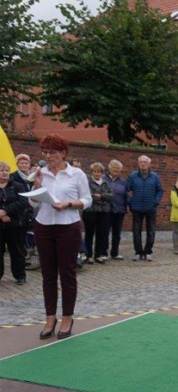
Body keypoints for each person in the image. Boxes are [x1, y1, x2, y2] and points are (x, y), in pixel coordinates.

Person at [30, 134, 92, 340]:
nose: (48, 156)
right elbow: (32, 204)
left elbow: (87, 200)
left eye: (52, 152)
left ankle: (67, 317)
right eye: (45, 152)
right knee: (48, 275)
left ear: (63, 153)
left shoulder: (77, 174)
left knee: (67, 274)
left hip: (68, 227)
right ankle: (50, 317)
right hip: (44, 226)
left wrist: (68, 204)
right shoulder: (41, 174)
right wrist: (37, 185)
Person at [126, 155, 163, 261]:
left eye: (145, 162)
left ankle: (148, 252)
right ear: (138, 163)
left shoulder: (155, 176)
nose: (143, 164)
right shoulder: (132, 176)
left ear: (149, 164)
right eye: (141, 162)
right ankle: (138, 252)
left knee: (151, 231)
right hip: (136, 208)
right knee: (136, 231)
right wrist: (130, 202)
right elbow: (127, 190)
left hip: (150, 208)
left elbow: (160, 190)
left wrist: (155, 202)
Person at [0, 161, 29, 284]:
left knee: (17, 251)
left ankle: (20, 275)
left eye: (7, 170)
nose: (5, 172)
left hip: (15, 224)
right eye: (2, 170)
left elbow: (23, 202)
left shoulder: (17, 186)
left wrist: (6, 211)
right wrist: (1, 215)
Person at [83, 162, 114, 264]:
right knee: (89, 234)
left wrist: (101, 196)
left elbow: (112, 196)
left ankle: (98, 255)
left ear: (102, 172)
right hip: (90, 211)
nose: (97, 174)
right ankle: (89, 255)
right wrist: (102, 197)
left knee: (101, 234)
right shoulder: (87, 182)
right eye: (95, 172)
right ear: (92, 172)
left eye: (99, 172)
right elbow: (89, 195)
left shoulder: (105, 183)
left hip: (104, 212)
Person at [104, 160, 127, 260]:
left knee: (117, 233)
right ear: (109, 168)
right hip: (106, 210)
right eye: (114, 167)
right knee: (105, 231)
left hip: (119, 209)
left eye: (118, 168)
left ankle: (115, 253)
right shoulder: (103, 179)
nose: (115, 169)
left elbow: (127, 195)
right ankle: (103, 253)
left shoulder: (123, 182)